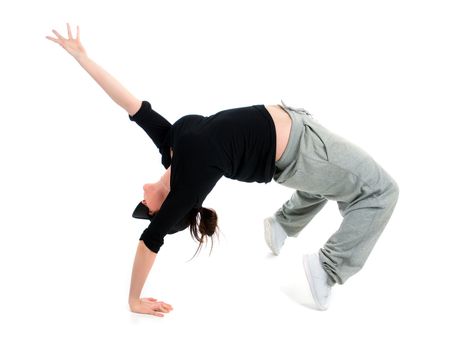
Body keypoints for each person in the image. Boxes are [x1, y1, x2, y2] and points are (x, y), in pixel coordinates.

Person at [46, 24, 399, 316]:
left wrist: (82, 58)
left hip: (297, 141)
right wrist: (133, 300)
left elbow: (130, 104)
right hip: (301, 148)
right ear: (162, 206)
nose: (140, 197)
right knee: (381, 190)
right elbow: (149, 242)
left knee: (333, 183)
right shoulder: (188, 187)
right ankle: (328, 270)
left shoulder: (171, 147)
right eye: (145, 206)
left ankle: (281, 225)